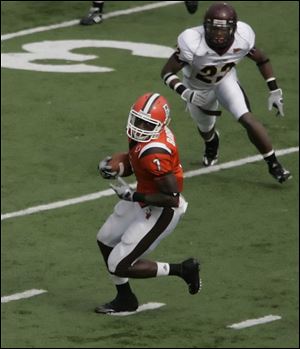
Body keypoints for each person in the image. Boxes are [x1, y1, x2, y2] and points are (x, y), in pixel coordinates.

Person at [161, 2, 291, 184]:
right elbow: (166, 73)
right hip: (197, 88)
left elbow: (262, 59)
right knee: (206, 129)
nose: (218, 34)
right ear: (205, 26)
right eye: (213, 29)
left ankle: (274, 164)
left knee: (247, 118)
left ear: (234, 28)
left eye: (223, 30)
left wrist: (275, 90)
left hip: (225, 80)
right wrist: (185, 92)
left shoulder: (243, 37)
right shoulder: (192, 41)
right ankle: (211, 142)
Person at [96, 92, 201, 314]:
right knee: (105, 238)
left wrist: (133, 197)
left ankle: (182, 270)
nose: (139, 126)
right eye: (138, 119)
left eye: (146, 123)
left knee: (118, 264)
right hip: (146, 195)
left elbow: (172, 197)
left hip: (162, 209)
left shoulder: (154, 152)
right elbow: (134, 159)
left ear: (159, 124)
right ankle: (125, 298)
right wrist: (117, 168)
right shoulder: (148, 137)